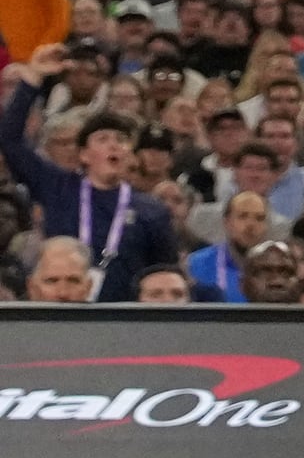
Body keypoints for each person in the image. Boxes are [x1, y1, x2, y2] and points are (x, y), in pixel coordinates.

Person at [0, 72, 178, 300]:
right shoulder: (58, 188)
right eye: (103, 139)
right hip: (60, 310)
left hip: (125, 320)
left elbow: (163, 273)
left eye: (121, 140)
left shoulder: (152, 211)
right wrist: (32, 80)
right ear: (83, 154)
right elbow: (10, 140)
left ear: (131, 156)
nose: (113, 146)